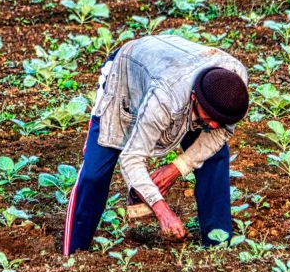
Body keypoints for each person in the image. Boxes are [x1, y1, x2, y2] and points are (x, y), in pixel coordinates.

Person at [62, 35, 250, 256]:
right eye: (208, 117)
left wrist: (177, 168)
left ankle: (218, 245)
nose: (214, 124)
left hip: (173, 65)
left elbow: (221, 134)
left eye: (221, 119)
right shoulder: (164, 100)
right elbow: (132, 158)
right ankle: (74, 253)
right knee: (95, 172)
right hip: (126, 75)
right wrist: (163, 211)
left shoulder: (234, 86)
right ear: (194, 98)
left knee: (214, 157)